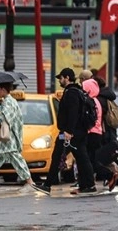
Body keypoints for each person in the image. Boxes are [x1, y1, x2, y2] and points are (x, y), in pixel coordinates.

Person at [32, 67, 96, 195]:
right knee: (81, 157)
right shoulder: (76, 91)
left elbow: (73, 113)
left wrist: (68, 131)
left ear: (67, 78)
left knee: (58, 156)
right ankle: (88, 185)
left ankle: (48, 184)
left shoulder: (71, 93)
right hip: (78, 132)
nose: (59, 81)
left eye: (61, 78)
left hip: (71, 133)